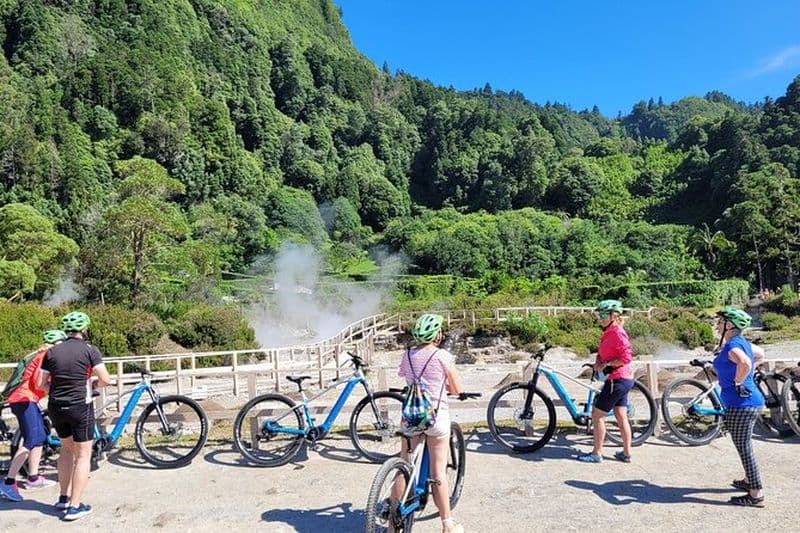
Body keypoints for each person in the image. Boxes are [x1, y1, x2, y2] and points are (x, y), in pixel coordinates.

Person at [36, 311, 111, 521]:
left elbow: (41, 384)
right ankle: (75, 506)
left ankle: (63, 498)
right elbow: (106, 379)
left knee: (66, 450)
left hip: (56, 407)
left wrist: (56, 388)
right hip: (80, 406)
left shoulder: (51, 352)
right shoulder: (89, 350)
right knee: (84, 455)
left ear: (66, 330)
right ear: (84, 329)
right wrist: (93, 384)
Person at [394, 313, 464, 533]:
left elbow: (405, 376)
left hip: (411, 417)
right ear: (438, 335)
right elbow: (456, 389)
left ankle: (391, 525)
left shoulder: (407, 355)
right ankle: (447, 525)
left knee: (404, 467)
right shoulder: (442, 356)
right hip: (436, 417)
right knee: (438, 473)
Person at [0, 330, 66, 502]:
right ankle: (8, 482)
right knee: (31, 440)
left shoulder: (42, 354)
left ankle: (33, 477)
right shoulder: (44, 356)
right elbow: (39, 382)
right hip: (24, 399)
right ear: (57, 343)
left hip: (28, 399)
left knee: (40, 437)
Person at [713, 306, 766, 507]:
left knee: (744, 447)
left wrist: (738, 380)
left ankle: (756, 494)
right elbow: (760, 355)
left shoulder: (732, 346)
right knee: (745, 445)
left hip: (741, 404)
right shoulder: (741, 342)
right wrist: (744, 375)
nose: (717, 325)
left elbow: (744, 362)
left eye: (720, 322)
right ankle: (748, 480)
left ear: (729, 325)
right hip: (749, 402)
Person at [578, 299, 634, 463]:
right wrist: (599, 361)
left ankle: (596, 453)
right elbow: (604, 352)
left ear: (614, 315)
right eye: (599, 315)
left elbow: (626, 358)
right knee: (621, 416)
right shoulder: (610, 332)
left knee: (597, 415)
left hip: (617, 380)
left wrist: (606, 364)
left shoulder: (617, 333)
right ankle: (626, 453)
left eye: (603, 315)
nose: (600, 318)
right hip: (622, 379)